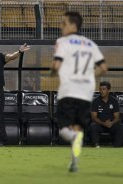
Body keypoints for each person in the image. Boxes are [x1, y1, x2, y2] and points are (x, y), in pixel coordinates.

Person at [51, 12, 108, 172]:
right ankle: (74, 162)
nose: (61, 26)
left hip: (69, 90)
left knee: (64, 130)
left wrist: (53, 72)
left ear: (73, 25)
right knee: (77, 129)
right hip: (86, 92)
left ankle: (74, 142)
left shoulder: (63, 42)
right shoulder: (90, 44)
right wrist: (89, 75)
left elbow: (56, 66)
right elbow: (103, 68)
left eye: (64, 23)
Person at [90, 81, 121, 148]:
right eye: (100, 89)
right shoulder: (95, 101)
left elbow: (117, 117)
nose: (101, 91)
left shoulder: (114, 101)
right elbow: (94, 117)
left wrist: (111, 123)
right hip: (100, 124)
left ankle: (116, 146)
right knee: (93, 126)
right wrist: (103, 123)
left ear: (108, 90)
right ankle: (96, 145)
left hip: (111, 125)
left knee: (120, 126)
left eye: (104, 89)